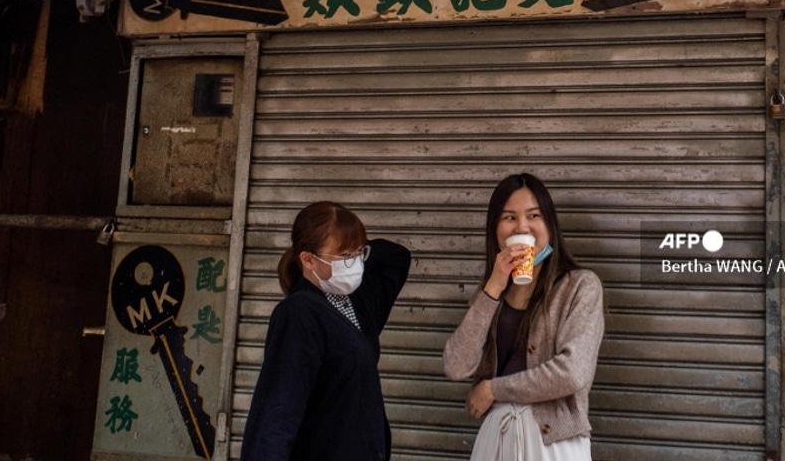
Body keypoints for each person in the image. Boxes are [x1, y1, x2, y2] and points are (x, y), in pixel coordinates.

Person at [444, 172, 604, 460]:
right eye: (509, 218)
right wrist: (493, 287)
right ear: (495, 229)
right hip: (497, 439)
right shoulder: (490, 295)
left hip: (554, 445)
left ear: (550, 225)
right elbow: (456, 366)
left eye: (534, 215)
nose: (522, 227)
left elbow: (572, 372)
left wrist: (494, 389)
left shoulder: (580, 286)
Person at [242, 201, 411, 460]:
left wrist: (354, 243)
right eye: (344, 256)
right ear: (308, 259)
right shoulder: (299, 315)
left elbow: (397, 258)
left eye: (358, 253)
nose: (355, 264)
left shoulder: (356, 302)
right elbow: (278, 409)